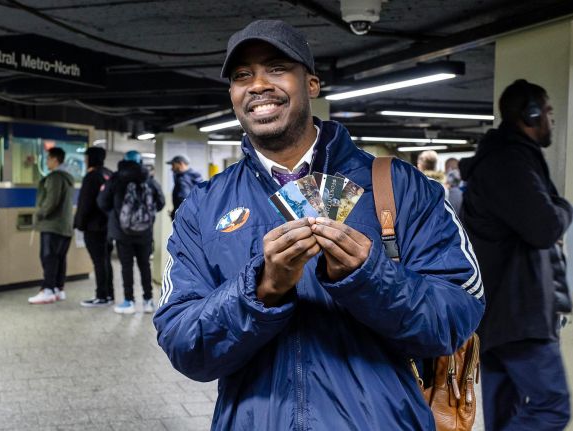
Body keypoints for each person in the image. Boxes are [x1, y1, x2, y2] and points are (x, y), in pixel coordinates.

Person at [153, 20, 484, 430]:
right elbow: (184, 344)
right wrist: (263, 289)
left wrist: (368, 277)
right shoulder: (202, 207)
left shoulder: (401, 187)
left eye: (276, 68)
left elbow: (457, 316)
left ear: (311, 84)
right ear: (233, 95)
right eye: (242, 76)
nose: (257, 85)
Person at [460, 79, 573, 430]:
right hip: (517, 315)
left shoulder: (505, 158)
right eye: (549, 112)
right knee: (551, 405)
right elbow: (545, 228)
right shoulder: (509, 163)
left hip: (499, 313)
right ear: (532, 115)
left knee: (502, 411)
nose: (551, 120)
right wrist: (563, 207)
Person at [98, 150, 165, 314]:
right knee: (145, 265)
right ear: (140, 161)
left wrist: (115, 215)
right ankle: (148, 301)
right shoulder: (149, 179)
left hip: (122, 232)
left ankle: (129, 301)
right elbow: (161, 202)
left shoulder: (115, 178)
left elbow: (102, 201)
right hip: (145, 232)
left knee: (126, 266)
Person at [29, 147, 75, 305]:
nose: (46, 162)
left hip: (52, 225)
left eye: (48, 159)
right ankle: (58, 288)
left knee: (48, 257)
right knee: (59, 258)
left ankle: (48, 289)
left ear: (55, 159)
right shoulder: (68, 178)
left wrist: (40, 213)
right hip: (65, 225)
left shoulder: (55, 178)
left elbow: (51, 201)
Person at [74, 147, 114, 307]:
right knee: (106, 260)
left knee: (99, 261)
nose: (85, 161)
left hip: (94, 227)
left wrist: (79, 224)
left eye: (86, 158)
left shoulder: (91, 177)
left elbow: (85, 204)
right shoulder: (109, 174)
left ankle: (101, 296)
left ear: (91, 158)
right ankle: (109, 294)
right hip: (109, 226)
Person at [166, 155, 202, 219]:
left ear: (181, 164)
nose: (172, 168)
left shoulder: (183, 179)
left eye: (173, 165)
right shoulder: (194, 176)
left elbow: (183, 198)